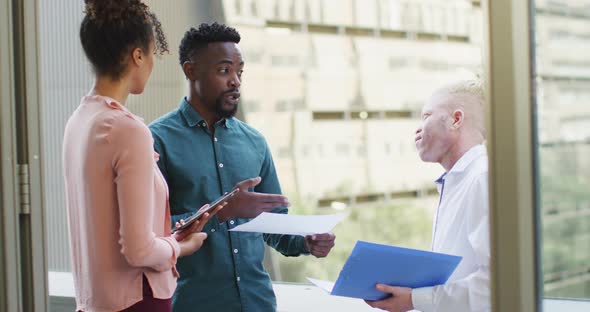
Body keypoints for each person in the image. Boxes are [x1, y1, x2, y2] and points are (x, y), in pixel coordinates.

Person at [149, 22, 337, 312]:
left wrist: (305, 241)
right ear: (191, 71)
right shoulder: (156, 140)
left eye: (240, 71)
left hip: (257, 303)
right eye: (224, 71)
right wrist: (222, 211)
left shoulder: (255, 142)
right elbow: (151, 234)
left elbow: (275, 227)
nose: (235, 81)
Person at [63, 1, 222, 311]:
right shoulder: (128, 129)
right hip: (138, 301)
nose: (151, 64)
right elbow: (138, 250)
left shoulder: (79, 121)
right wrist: (179, 245)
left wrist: (167, 233)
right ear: (138, 55)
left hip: (95, 302)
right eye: (151, 54)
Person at [365, 80, 491, 312]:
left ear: (456, 119)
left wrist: (415, 299)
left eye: (426, 116)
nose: (417, 129)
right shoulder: (458, 182)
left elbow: (496, 283)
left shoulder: (482, 178)